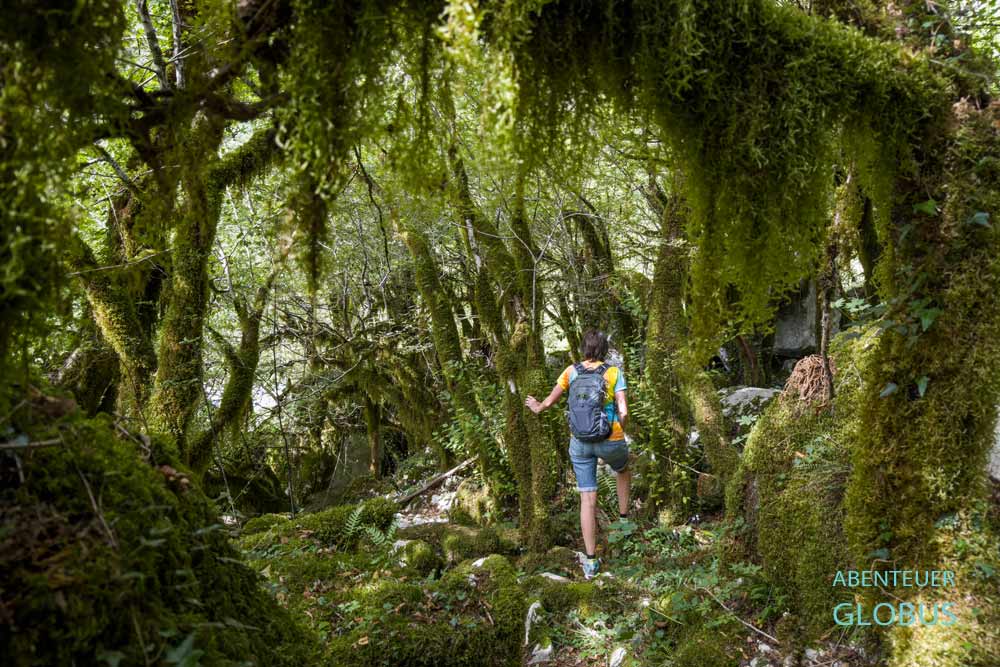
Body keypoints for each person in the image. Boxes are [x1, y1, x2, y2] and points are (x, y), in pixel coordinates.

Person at [525, 329, 630, 579]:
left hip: (580, 442)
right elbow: (623, 410)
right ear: (604, 350)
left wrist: (536, 406)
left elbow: (548, 402)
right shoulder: (613, 372)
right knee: (623, 469)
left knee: (587, 498)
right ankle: (625, 520)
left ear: (584, 348)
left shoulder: (571, 371)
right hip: (610, 438)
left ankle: (591, 561)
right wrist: (620, 429)